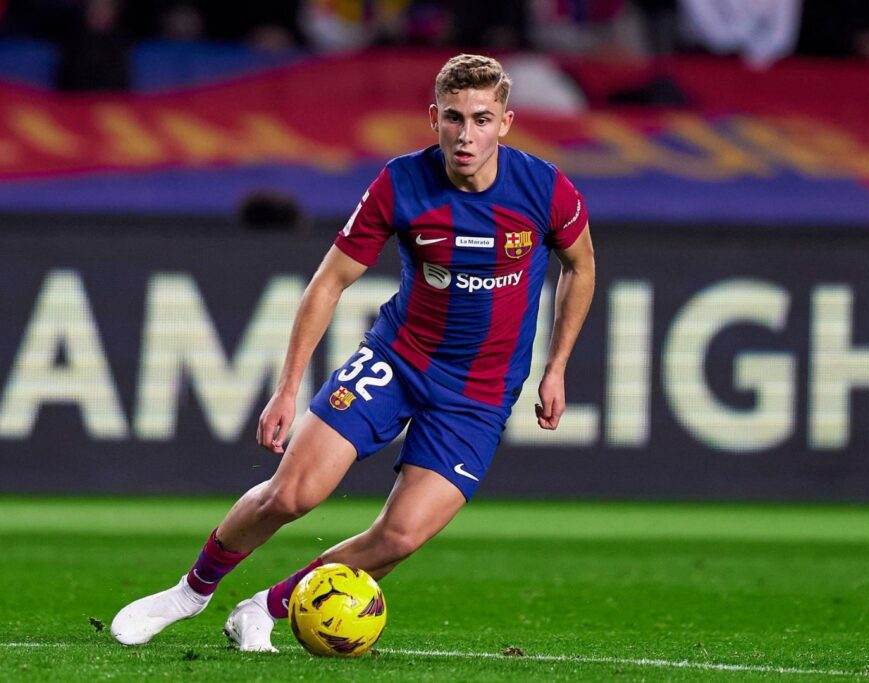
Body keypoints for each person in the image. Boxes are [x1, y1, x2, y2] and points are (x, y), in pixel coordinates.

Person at [110, 53, 596, 652]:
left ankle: (265, 606)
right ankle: (188, 593)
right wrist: (287, 387)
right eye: (453, 118)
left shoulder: (545, 188)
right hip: (397, 361)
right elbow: (329, 281)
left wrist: (556, 366)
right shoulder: (402, 183)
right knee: (292, 494)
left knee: (399, 537)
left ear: (506, 122)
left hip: (479, 394)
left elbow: (582, 266)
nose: (466, 134)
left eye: (481, 119)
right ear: (433, 119)